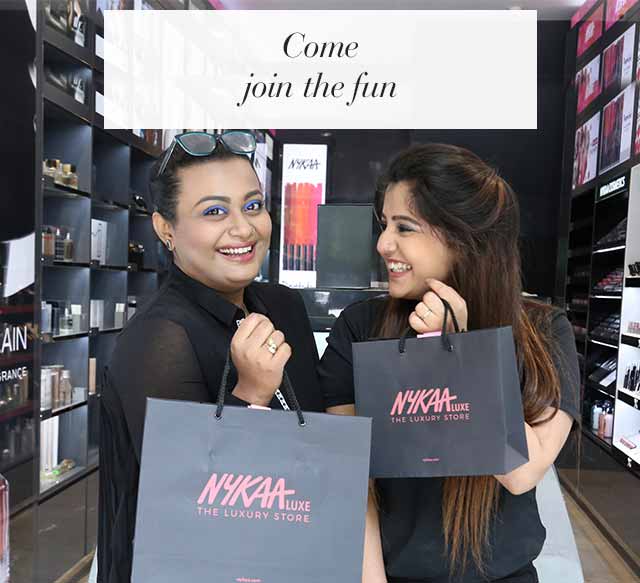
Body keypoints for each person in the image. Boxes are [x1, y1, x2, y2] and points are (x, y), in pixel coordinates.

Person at [320, 143, 580, 583]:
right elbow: (352, 478)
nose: (383, 243)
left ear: (463, 238)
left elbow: (521, 472)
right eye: (384, 225)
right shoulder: (360, 327)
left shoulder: (543, 332)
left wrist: (457, 352)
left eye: (404, 227)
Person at [97, 131, 324, 583]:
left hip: (294, 556)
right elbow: (190, 508)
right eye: (214, 211)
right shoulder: (158, 340)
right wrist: (251, 395)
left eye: (253, 206)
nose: (243, 228)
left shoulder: (283, 306)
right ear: (166, 229)